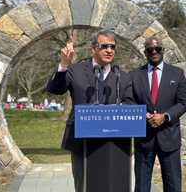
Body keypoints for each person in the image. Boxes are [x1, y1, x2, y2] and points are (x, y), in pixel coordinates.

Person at [46, 29, 134, 192]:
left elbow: (131, 105)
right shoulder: (76, 70)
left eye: (112, 47)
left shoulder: (122, 76)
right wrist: (64, 65)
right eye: (104, 46)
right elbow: (55, 89)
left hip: (114, 144)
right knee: (84, 186)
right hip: (81, 142)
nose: (109, 50)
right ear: (93, 48)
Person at [130, 36, 186, 192]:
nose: (154, 52)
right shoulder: (135, 75)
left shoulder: (177, 74)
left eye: (157, 49)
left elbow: (183, 102)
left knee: (173, 185)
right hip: (144, 139)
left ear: (163, 50)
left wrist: (165, 116)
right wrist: (143, 115)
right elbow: (129, 101)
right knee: (141, 186)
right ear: (145, 52)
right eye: (150, 49)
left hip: (169, 139)